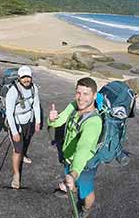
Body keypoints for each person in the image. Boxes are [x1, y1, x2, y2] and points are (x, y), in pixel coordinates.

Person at [48, 77, 103, 218]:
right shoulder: (74, 106)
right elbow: (59, 121)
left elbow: (83, 149)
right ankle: (70, 187)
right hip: (69, 158)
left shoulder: (94, 122)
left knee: (86, 191)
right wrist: (52, 119)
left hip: (84, 166)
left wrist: (74, 173)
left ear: (94, 96)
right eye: (78, 93)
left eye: (86, 94)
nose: (81, 98)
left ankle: (86, 208)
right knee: (70, 179)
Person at [5, 65, 41, 189]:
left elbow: (36, 105)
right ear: (19, 77)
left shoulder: (34, 88)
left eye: (28, 77)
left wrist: (37, 121)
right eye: (24, 77)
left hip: (28, 122)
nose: (26, 79)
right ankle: (16, 174)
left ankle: (23, 155)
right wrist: (14, 131)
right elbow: (9, 113)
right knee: (17, 150)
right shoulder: (13, 91)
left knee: (25, 141)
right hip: (17, 124)